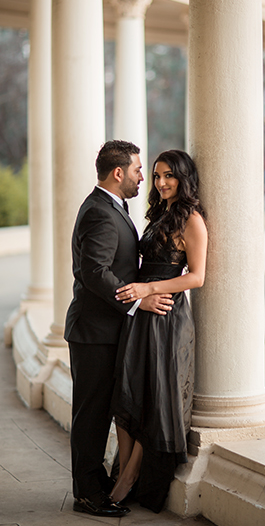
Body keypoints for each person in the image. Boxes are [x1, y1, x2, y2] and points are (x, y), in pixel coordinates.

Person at [65, 140, 174, 518]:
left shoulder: (111, 207)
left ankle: (95, 484)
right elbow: (94, 272)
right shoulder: (99, 211)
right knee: (91, 415)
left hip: (106, 331)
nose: (143, 176)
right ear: (118, 173)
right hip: (93, 333)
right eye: (139, 170)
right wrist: (138, 300)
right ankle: (87, 494)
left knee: (100, 412)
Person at [109, 149, 207, 513]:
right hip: (141, 312)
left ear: (183, 178)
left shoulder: (192, 219)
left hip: (166, 315)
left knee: (154, 395)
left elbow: (197, 276)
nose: (161, 182)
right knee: (127, 391)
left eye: (169, 176)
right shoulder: (158, 214)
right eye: (155, 176)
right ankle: (123, 468)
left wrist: (148, 290)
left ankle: (131, 475)